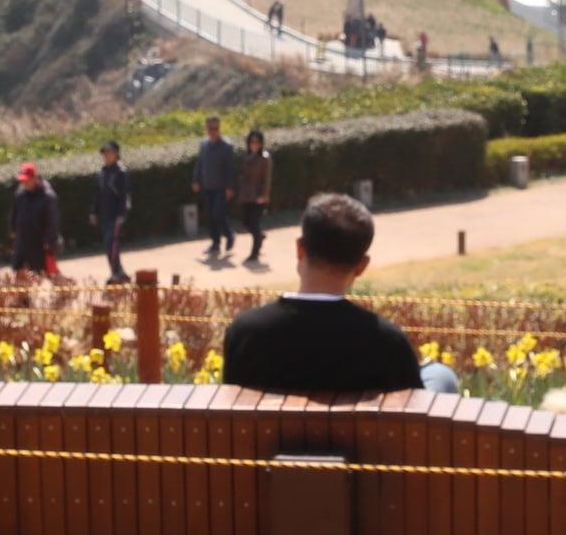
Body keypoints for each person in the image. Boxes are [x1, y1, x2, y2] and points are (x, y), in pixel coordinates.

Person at [221, 192, 460, 396]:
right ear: (361, 266)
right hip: (360, 449)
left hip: (271, 449)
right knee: (440, 375)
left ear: (300, 249)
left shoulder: (246, 333)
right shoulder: (387, 343)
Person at [191, 114, 236, 257]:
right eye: (211, 128)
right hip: (207, 186)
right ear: (207, 129)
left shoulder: (226, 146)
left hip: (221, 187)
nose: (213, 131)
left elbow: (230, 168)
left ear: (219, 128)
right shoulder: (204, 144)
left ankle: (229, 235)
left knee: (218, 213)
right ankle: (216, 243)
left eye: (216, 128)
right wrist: (196, 180)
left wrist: (230, 187)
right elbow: (199, 164)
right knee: (211, 216)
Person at [89, 140, 131, 285]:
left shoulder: (121, 172)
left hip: (116, 216)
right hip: (105, 215)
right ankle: (120, 273)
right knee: (108, 246)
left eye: (109, 153)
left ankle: (116, 273)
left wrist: (122, 215)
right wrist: (94, 212)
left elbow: (124, 196)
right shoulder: (102, 172)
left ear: (116, 154)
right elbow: (98, 194)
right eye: (104, 154)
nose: (106, 156)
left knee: (111, 244)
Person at [10, 163, 60, 275]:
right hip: (22, 240)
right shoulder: (20, 194)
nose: (24, 183)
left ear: (35, 178)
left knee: (48, 273)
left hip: (40, 242)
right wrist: (13, 229)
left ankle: (65, 291)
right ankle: (23, 293)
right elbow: (14, 213)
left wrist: (48, 240)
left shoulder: (47, 196)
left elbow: (52, 221)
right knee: (19, 271)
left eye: (27, 181)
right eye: (22, 181)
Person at [237, 129, 272, 263]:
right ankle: (259, 237)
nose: (254, 144)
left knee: (254, 223)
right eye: (252, 142)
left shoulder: (265, 158)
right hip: (247, 195)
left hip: (258, 196)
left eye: (257, 142)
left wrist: (264, 195)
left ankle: (254, 252)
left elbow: (267, 179)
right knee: (246, 222)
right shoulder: (246, 157)